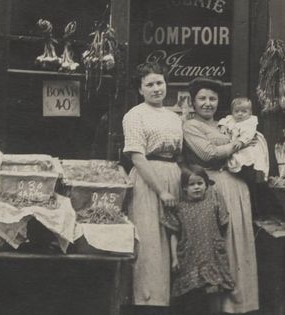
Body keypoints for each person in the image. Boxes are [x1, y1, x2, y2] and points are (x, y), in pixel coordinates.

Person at [180, 77, 259, 314]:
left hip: (235, 187)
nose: (207, 103)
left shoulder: (226, 125)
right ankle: (219, 307)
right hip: (212, 189)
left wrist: (237, 141)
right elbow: (207, 154)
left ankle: (240, 304)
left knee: (238, 243)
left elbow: (255, 141)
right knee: (217, 245)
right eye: (202, 98)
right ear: (193, 102)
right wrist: (237, 144)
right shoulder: (190, 126)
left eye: (212, 98)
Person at [122, 61, 182, 315]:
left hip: (173, 177)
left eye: (160, 83)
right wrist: (162, 191)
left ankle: (168, 304)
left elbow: (178, 155)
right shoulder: (135, 114)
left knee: (172, 242)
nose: (156, 88)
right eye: (150, 85)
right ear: (140, 89)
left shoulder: (174, 116)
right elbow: (137, 157)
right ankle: (147, 304)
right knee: (149, 244)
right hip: (148, 182)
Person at [168, 166, 235, 315]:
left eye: (200, 183)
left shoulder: (213, 203)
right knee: (192, 294)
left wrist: (216, 242)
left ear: (206, 184)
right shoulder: (180, 208)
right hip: (189, 256)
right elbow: (173, 233)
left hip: (211, 255)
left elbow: (223, 224)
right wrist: (174, 258)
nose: (196, 187)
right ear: (184, 188)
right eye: (191, 185)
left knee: (214, 290)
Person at [218, 97, 269, 180]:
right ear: (232, 112)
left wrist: (241, 141)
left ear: (250, 113)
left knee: (247, 158)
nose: (240, 114)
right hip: (235, 144)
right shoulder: (230, 118)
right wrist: (223, 126)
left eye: (244, 111)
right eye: (236, 111)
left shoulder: (250, 121)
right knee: (234, 157)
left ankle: (247, 171)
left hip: (248, 143)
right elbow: (223, 120)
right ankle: (232, 168)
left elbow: (249, 133)